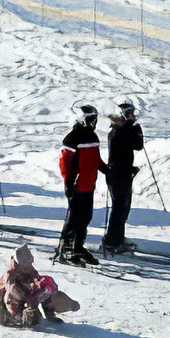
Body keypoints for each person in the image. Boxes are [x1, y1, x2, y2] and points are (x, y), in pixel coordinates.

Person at [0, 244, 81, 327]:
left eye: (29, 261)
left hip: (24, 295)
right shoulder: (11, 275)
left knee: (44, 295)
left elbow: (38, 281)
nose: (29, 264)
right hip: (0, 298)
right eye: (25, 262)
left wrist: (42, 287)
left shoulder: (30, 270)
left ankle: (50, 313)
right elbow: (13, 292)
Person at [58, 106, 107, 266]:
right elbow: (65, 163)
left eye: (94, 119)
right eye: (90, 119)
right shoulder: (73, 138)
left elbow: (95, 159)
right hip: (77, 185)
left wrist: (106, 169)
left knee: (85, 217)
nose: (93, 122)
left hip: (89, 184)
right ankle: (66, 250)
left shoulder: (92, 136)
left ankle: (78, 246)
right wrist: (68, 183)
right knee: (74, 218)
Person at [101, 100, 143, 255]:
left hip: (123, 173)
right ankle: (112, 241)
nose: (133, 116)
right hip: (117, 175)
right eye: (130, 114)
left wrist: (134, 129)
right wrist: (134, 129)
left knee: (123, 208)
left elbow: (136, 146)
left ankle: (117, 238)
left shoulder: (122, 130)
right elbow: (135, 144)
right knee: (119, 208)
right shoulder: (118, 132)